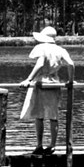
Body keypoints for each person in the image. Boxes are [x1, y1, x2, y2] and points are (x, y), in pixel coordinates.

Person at [19, 26, 75, 155]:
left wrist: (28, 79)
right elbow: (71, 64)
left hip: (41, 83)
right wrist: (70, 81)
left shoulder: (41, 48)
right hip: (54, 83)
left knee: (39, 115)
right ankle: (52, 145)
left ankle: (39, 144)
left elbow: (39, 64)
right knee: (53, 115)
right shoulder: (61, 50)